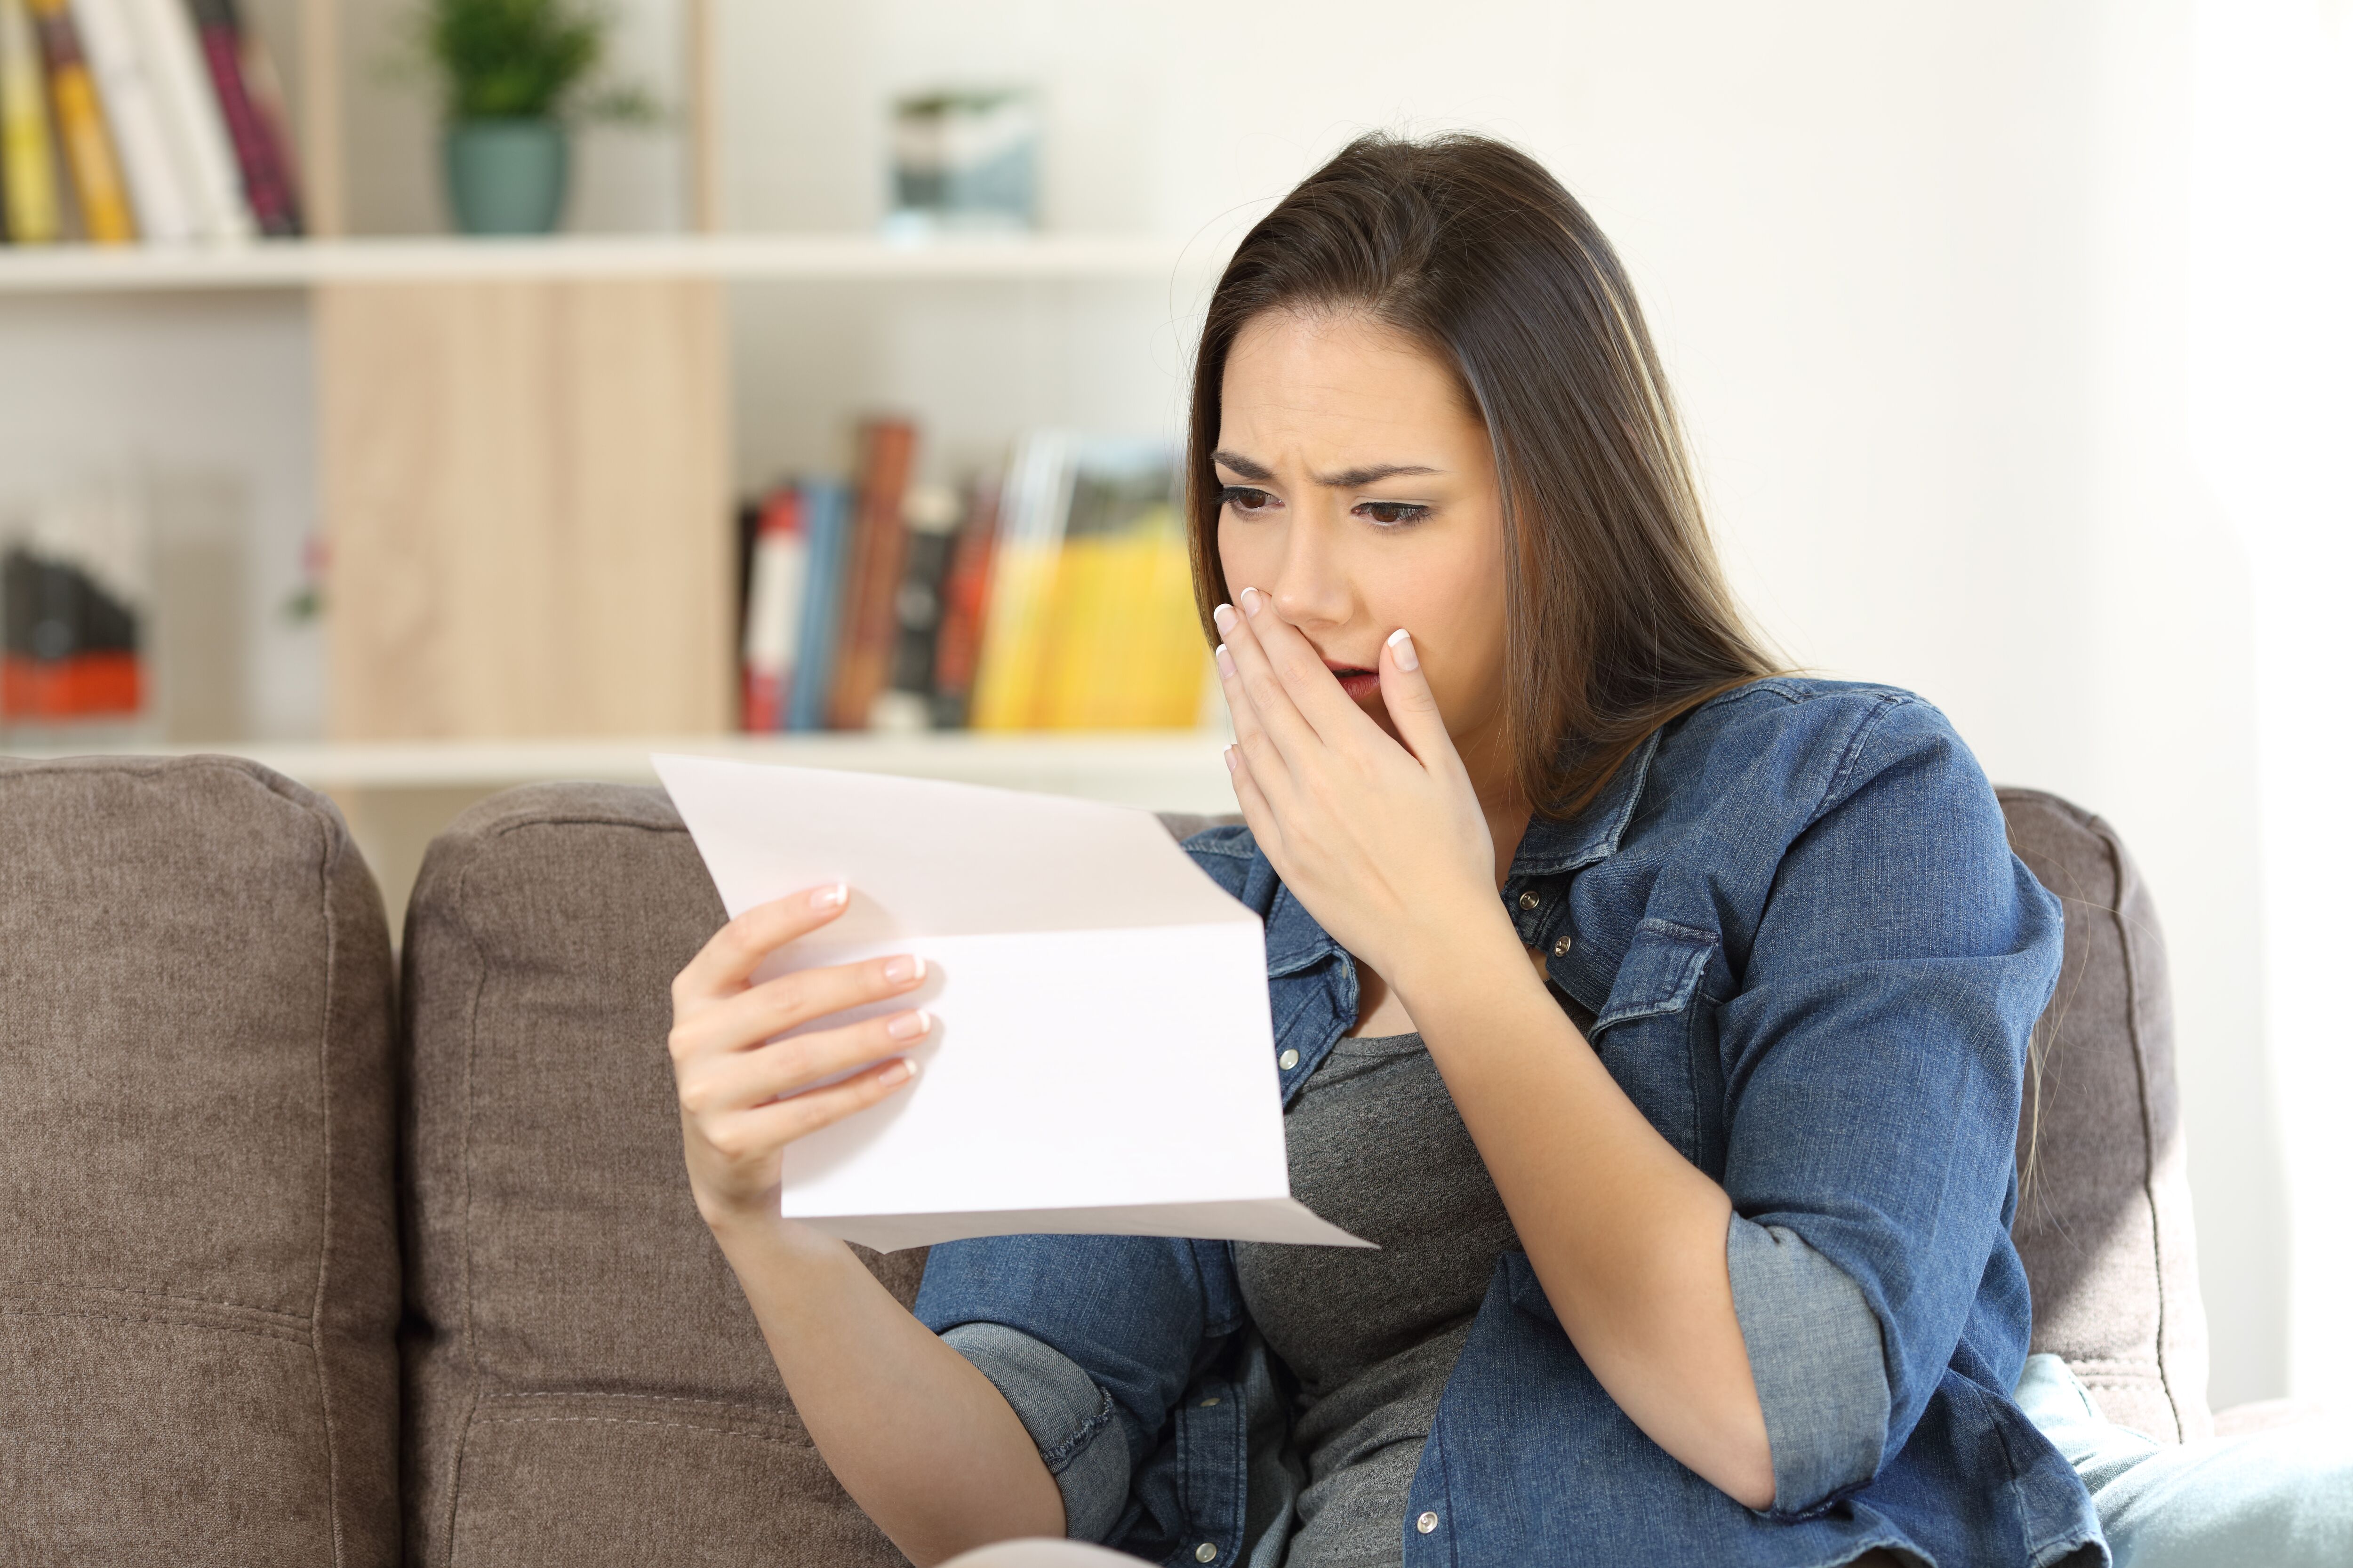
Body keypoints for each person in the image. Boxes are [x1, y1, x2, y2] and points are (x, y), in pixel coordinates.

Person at [665, 134, 2348, 1568]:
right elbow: (1007, 1493)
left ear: (1564, 513)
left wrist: (1450, 941)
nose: (1295, 587)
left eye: (1387, 508)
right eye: (1250, 496)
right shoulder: (1193, 922)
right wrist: (769, 1232)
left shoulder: (1840, 793)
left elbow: (1788, 1410)